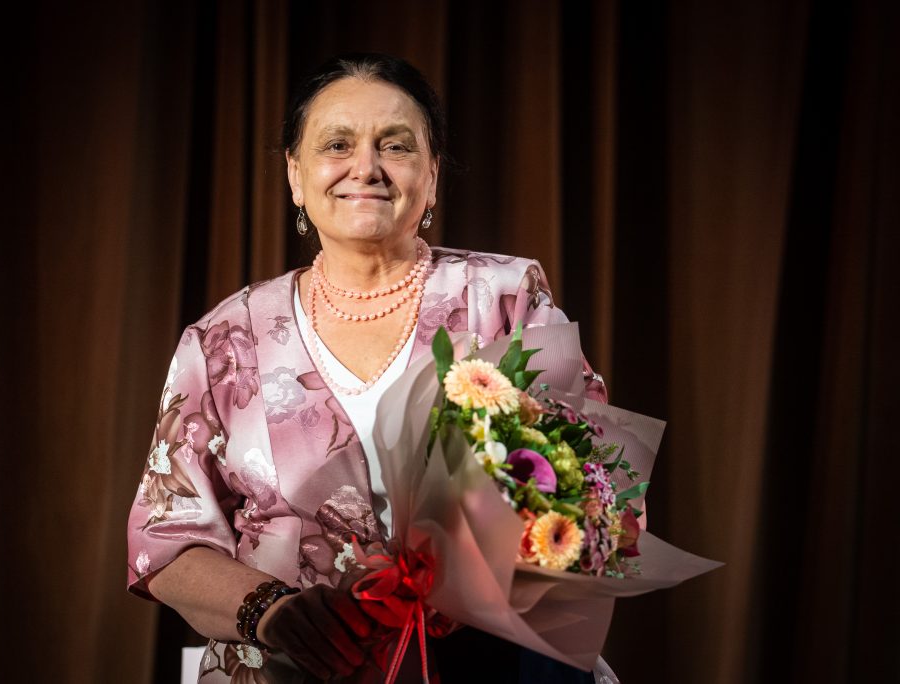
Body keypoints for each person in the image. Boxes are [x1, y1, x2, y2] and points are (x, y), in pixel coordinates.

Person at [126, 53, 609, 683]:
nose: (366, 168)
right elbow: (166, 541)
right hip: (289, 670)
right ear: (295, 175)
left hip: (488, 665)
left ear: (431, 176)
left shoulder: (505, 299)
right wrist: (271, 611)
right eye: (337, 145)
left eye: (396, 146)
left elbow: (590, 490)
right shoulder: (223, 339)